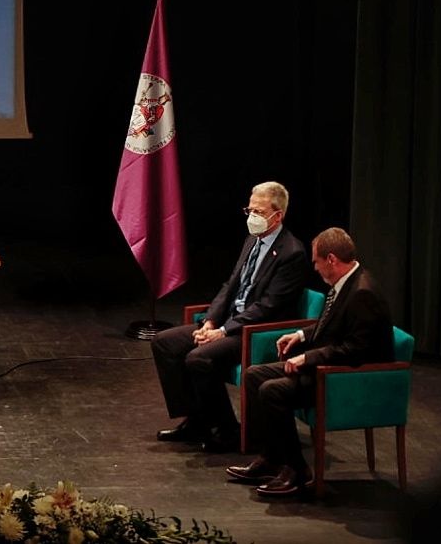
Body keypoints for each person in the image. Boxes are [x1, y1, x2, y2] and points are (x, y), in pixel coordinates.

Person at [226, 228, 395, 499]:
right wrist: (302, 335)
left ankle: (297, 470)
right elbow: (333, 323)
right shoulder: (344, 282)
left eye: (316, 262)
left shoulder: (363, 293)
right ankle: (271, 458)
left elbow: (355, 349)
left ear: (331, 259)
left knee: (272, 390)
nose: (314, 268)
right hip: (331, 367)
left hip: (348, 378)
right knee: (254, 375)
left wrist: (308, 357)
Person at [151, 181, 308, 452]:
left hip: (256, 331)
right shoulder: (251, 241)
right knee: (165, 343)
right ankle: (197, 420)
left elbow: (267, 307)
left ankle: (227, 429)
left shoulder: (291, 253)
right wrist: (210, 320)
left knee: (199, 357)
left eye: (258, 212)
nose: (252, 217)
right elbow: (230, 285)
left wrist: (223, 332)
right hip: (227, 323)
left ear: (277, 215)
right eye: (249, 210)